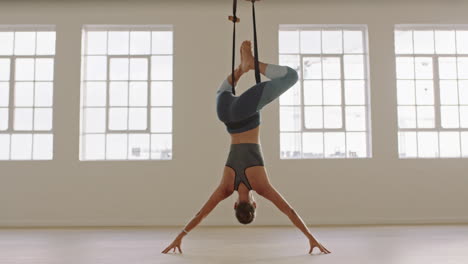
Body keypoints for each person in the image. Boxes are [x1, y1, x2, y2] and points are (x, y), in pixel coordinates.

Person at [162, 41, 331, 255]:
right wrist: (180, 236)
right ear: (234, 206)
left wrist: (311, 238)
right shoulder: (225, 187)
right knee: (221, 90)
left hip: (246, 112)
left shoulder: (261, 187)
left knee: (291, 77)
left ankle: (250, 64)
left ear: (255, 205)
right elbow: (201, 214)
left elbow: (290, 211)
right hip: (224, 113)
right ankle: (241, 69)